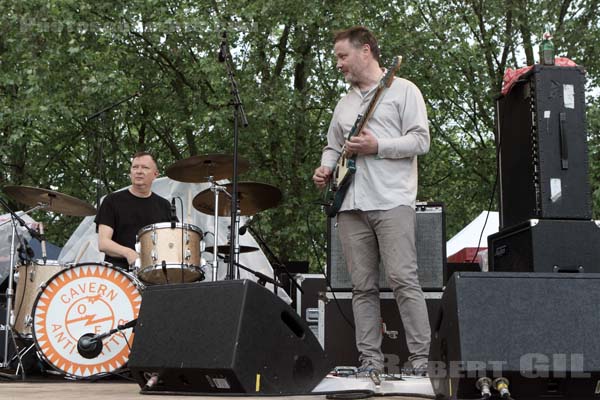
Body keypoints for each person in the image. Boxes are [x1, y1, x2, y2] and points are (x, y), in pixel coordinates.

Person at [313, 26, 431, 376]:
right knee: (361, 288)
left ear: (365, 51)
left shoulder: (405, 90)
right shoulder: (344, 103)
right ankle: (370, 363)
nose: (338, 64)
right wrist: (324, 168)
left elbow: (421, 141)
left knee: (403, 281)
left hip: (392, 201)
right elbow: (334, 145)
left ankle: (422, 363)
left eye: (342, 56)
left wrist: (378, 146)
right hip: (349, 205)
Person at [95, 151, 174, 269]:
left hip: (155, 273)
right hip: (119, 275)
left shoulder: (165, 205)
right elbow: (103, 243)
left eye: (145, 167)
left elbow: (172, 242)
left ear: (155, 174)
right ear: (130, 173)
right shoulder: (112, 200)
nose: (139, 171)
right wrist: (128, 253)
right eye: (135, 167)